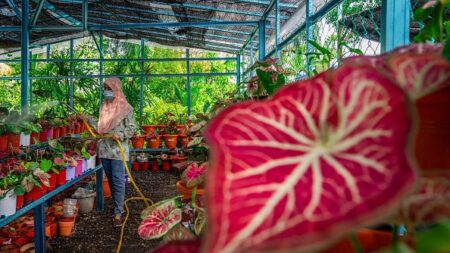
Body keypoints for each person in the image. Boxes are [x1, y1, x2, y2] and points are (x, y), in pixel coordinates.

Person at [86, 77, 136, 227]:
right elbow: (100, 127)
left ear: (116, 90)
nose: (106, 92)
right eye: (105, 88)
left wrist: (120, 135)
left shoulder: (126, 108)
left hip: (118, 150)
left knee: (118, 180)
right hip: (105, 149)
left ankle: (118, 213)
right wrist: (87, 118)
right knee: (111, 180)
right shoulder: (105, 107)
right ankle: (117, 205)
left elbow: (132, 128)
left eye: (109, 88)